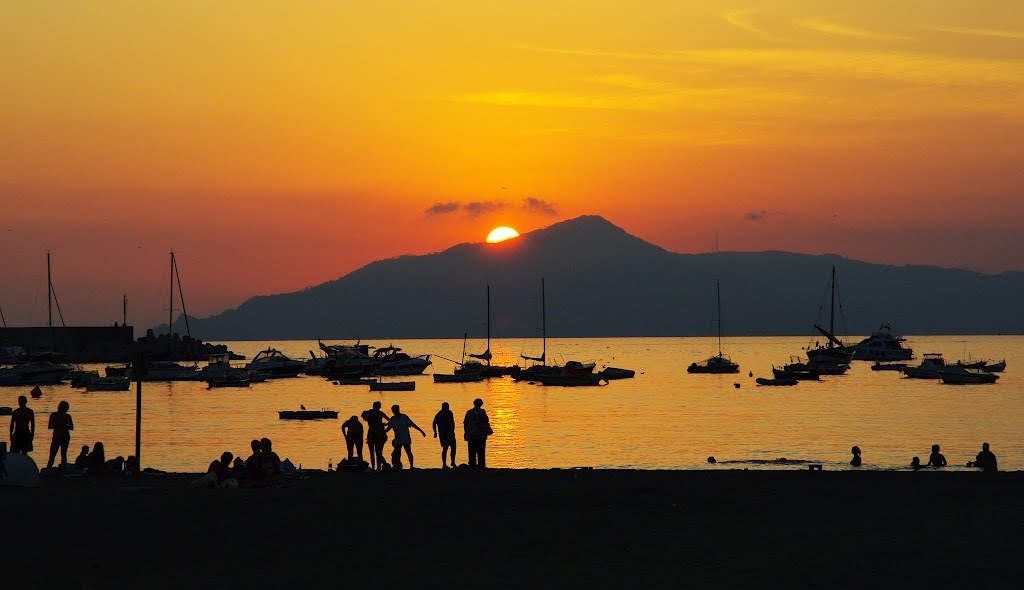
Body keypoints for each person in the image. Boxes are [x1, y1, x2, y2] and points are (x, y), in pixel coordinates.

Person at [384, 405, 425, 469]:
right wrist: (380, 433)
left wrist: (421, 431)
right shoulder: (393, 419)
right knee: (398, 453)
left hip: (405, 438)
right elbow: (388, 429)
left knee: (408, 452)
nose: (393, 411)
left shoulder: (404, 417)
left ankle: (411, 466)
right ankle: (398, 466)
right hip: (398, 439)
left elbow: (413, 424)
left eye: (394, 410)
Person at [464, 398, 493, 469]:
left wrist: (466, 432)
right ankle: (481, 465)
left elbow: (465, 423)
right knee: (481, 451)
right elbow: (486, 420)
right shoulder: (482, 412)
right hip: (480, 435)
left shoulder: (469, 412)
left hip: (471, 434)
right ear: (481, 404)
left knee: (471, 451)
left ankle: (472, 464)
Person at [361, 401, 389, 470]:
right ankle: (378, 468)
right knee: (379, 451)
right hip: (379, 433)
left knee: (372, 452)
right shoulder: (380, 413)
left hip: (371, 433)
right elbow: (390, 420)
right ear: (379, 407)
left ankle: (373, 467)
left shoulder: (369, 413)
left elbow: (364, 417)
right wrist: (384, 425)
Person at [46, 400, 73, 469]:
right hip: (61, 436)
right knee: (60, 454)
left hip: (59, 436)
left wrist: (58, 425)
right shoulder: (66, 416)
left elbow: (50, 426)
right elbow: (71, 427)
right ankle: (52, 468)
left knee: (56, 454)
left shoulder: (54, 415)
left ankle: (50, 468)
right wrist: (63, 425)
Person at [432, 402, 457, 468]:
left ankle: (452, 462)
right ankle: (446, 464)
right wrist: (435, 432)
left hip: (448, 433)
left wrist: (435, 432)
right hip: (445, 434)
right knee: (446, 448)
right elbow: (434, 423)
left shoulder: (447, 413)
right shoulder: (441, 414)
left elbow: (452, 422)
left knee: (451, 447)